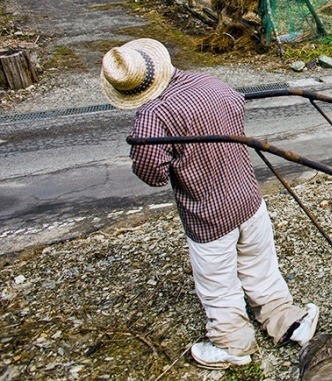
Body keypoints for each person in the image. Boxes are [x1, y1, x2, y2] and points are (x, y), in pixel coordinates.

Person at [100, 38, 319, 370]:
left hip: (208, 213)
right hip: (247, 197)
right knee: (260, 265)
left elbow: (152, 174)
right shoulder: (209, 83)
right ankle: (287, 320)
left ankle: (233, 345)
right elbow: (236, 110)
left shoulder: (153, 115)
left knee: (218, 285)